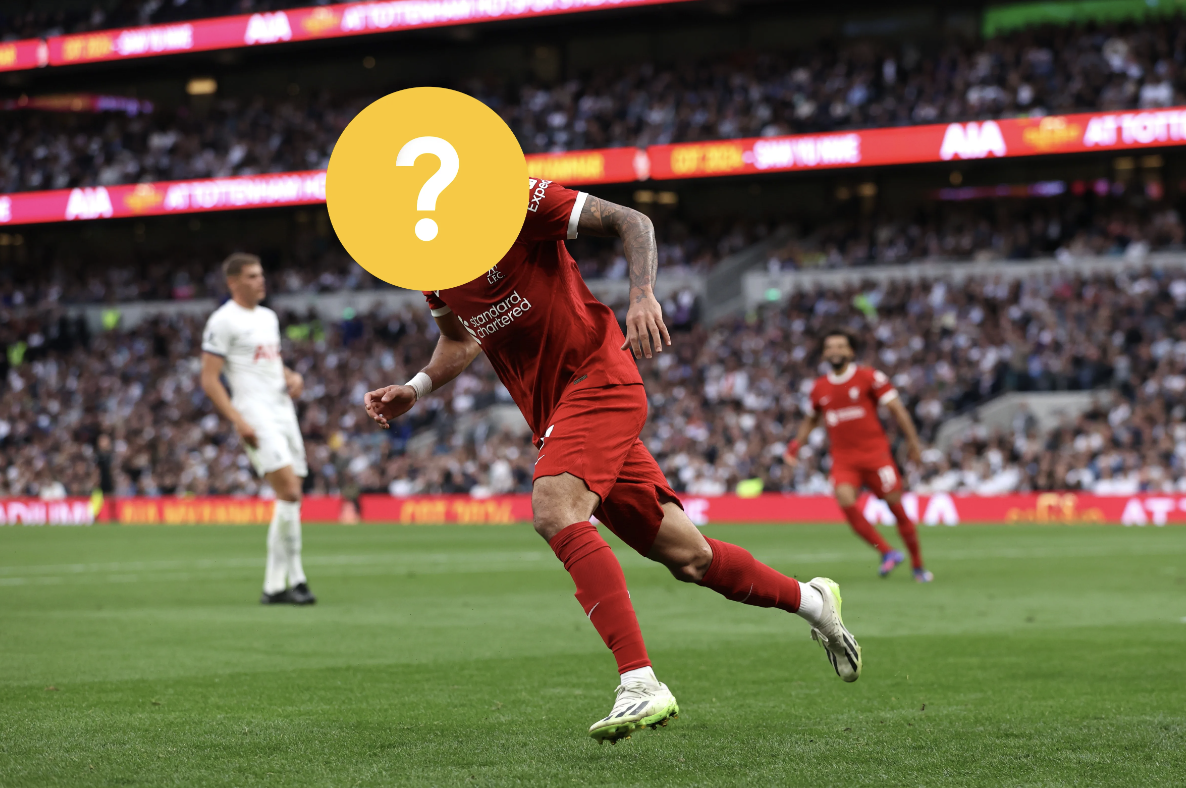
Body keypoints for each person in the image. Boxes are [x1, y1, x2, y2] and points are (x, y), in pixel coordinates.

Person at [363, 179, 863, 744]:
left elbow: (632, 220)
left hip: (599, 379)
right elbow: (460, 342)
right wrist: (416, 387)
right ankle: (814, 602)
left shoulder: (513, 201)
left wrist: (642, 294)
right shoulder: (431, 268)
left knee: (555, 508)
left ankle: (640, 682)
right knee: (690, 557)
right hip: (558, 412)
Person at [199, 253, 316, 606]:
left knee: (290, 497)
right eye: (251, 276)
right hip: (255, 414)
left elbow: (271, 363)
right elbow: (209, 379)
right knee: (290, 491)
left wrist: (293, 377)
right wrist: (237, 419)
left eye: (261, 274)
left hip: (283, 411)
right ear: (233, 282)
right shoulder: (222, 321)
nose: (260, 280)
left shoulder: (268, 317)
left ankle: (274, 586)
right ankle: (297, 579)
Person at [785, 329, 933, 582]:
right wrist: (795, 445)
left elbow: (897, 410)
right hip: (844, 459)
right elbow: (810, 419)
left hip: (876, 456)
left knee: (896, 507)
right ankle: (887, 552)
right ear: (824, 354)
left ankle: (918, 565)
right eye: (830, 347)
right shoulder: (819, 387)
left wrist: (913, 443)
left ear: (851, 351)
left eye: (840, 346)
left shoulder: (869, 377)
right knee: (844, 499)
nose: (835, 351)